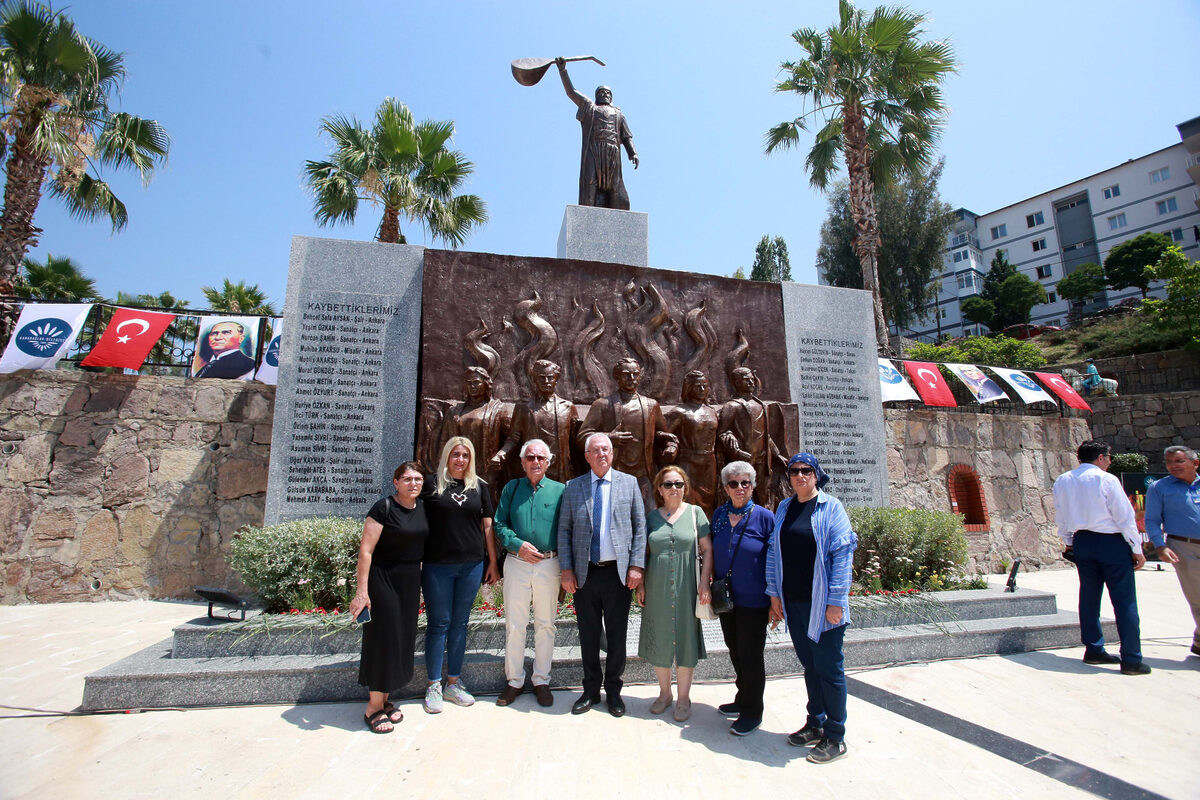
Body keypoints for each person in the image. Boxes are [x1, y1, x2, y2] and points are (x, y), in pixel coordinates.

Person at [767, 453, 857, 764]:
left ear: (816, 475)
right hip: (794, 603)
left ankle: (836, 735)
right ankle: (816, 722)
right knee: (810, 665)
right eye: (794, 471)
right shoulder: (784, 507)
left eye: (806, 471)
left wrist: (836, 601)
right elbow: (773, 554)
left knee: (830, 668)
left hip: (823, 604)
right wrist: (774, 597)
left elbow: (843, 554)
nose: (800, 476)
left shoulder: (831, 508)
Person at [557, 432, 647, 717]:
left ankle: (614, 692)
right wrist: (567, 569)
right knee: (589, 634)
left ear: (613, 453)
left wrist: (636, 566)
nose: (602, 454)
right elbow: (565, 530)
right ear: (587, 456)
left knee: (617, 636)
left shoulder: (629, 484)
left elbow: (640, 527)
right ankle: (591, 690)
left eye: (606, 449)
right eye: (595, 450)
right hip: (585, 574)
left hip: (618, 574)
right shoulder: (574, 487)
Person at [1052, 439, 1150, 675]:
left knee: (1088, 595)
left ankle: (1093, 648)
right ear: (1101, 458)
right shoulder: (1106, 479)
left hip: (1082, 540)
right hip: (1110, 541)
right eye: (1109, 457)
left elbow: (1061, 515)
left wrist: (1069, 543)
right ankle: (1132, 658)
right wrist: (1137, 548)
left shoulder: (1063, 480)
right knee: (1124, 599)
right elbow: (1124, 516)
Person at [420, 437, 501, 713]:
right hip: (437, 566)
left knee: (460, 624)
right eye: (456, 454)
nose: (460, 460)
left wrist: (492, 561)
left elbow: (487, 527)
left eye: (466, 455)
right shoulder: (431, 484)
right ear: (447, 456)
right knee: (438, 624)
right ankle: (433, 684)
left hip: (471, 566)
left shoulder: (479, 487)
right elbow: (418, 522)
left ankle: (453, 682)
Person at [350, 461, 429, 733]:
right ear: (396, 483)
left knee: (400, 638)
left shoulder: (421, 508)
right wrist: (362, 591)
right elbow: (366, 551)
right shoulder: (383, 508)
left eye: (418, 478)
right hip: (383, 579)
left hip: (408, 581)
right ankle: (373, 706)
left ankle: (385, 700)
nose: (413, 483)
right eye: (407, 479)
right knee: (383, 638)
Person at [636, 466, 712, 722]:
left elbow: (707, 550)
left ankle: (683, 698)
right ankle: (665, 693)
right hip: (656, 584)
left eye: (678, 484)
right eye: (668, 484)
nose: (674, 489)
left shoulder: (695, 513)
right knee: (659, 635)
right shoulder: (651, 518)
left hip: (686, 584)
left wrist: (704, 583)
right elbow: (644, 553)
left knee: (685, 638)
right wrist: (641, 584)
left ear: (685, 487)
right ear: (659, 489)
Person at [493, 438, 566, 707]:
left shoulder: (560, 491)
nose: (536, 462)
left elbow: (566, 529)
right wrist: (517, 545)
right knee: (515, 623)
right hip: (517, 563)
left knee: (546, 623)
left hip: (549, 564)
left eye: (540, 458)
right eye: (530, 458)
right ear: (522, 462)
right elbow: (500, 524)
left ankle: (541, 680)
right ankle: (514, 681)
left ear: (549, 462)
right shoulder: (512, 489)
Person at [709, 460, 776, 736]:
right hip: (726, 598)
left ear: (752, 486)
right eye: (733, 483)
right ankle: (742, 697)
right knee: (734, 649)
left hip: (754, 600)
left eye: (744, 483)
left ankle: (753, 711)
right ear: (726, 487)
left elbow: (774, 560)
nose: (739, 488)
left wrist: (775, 598)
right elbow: (711, 550)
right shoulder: (720, 515)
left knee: (751, 654)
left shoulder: (764, 517)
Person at [578, 357, 677, 506]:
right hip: (613, 473)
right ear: (617, 377)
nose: (631, 378)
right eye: (626, 374)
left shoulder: (651, 405)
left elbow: (663, 435)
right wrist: (608, 438)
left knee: (646, 520)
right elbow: (582, 437)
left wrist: (671, 446)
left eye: (635, 374)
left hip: (644, 476)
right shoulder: (602, 405)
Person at [555, 57, 638, 210]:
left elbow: (626, 136)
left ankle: (616, 220)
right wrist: (563, 71)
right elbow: (571, 92)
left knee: (614, 186)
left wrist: (632, 153)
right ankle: (587, 216)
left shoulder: (618, 114)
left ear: (611, 97)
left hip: (612, 153)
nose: (604, 94)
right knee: (590, 182)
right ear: (596, 96)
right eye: (601, 92)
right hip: (594, 150)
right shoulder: (590, 107)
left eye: (607, 93)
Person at [1144, 445, 1200, 658]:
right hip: (1183, 547)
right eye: (1169, 463)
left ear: (1195, 463)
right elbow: (1152, 520)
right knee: (1198, 597)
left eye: (1179, 461)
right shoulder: (1159, 488)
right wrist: (1160, 546)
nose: (1173, 466)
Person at [496, 359, 579, 484]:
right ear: (534, 380)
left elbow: (574, 442)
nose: (546, 381)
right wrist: (501, 454)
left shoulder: (568, 407)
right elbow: (513, 439)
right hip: (533, 468)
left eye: (550, 377)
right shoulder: (523, 408)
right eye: (541, 378)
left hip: (560, 470)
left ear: (556, 379)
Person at [718, 367, 786, 507]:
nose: (750, 382)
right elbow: (722, 433)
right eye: (746, 380)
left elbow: (765, 435)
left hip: (762, 461)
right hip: (744, 459)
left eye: (751, 379)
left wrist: (777, 454)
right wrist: (735, 449)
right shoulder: (731, 407)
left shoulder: (761, 405)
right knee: (742, 498)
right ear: (736, 383)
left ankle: (765, 525)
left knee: (764, 497)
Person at [441, 367, 510, 497]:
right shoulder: (454, 411)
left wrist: (501, 454)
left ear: (486, 384)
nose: (472, 386)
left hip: (486, 469)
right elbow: (445, 441)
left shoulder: (498, 409)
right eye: (469, 382)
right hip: (459, 466)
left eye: (476, 382)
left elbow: (513, 437)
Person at [664, 370, 719, 517]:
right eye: (697, 386)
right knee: (687, 500)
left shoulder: (712, 411)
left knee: (708, 501)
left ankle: (705, 536)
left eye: (704, 386)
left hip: (709, 464)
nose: (702, 390)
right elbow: (663, 436)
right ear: (689, 388)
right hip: (688, 463)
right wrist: (671, 446)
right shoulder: (679, 412)